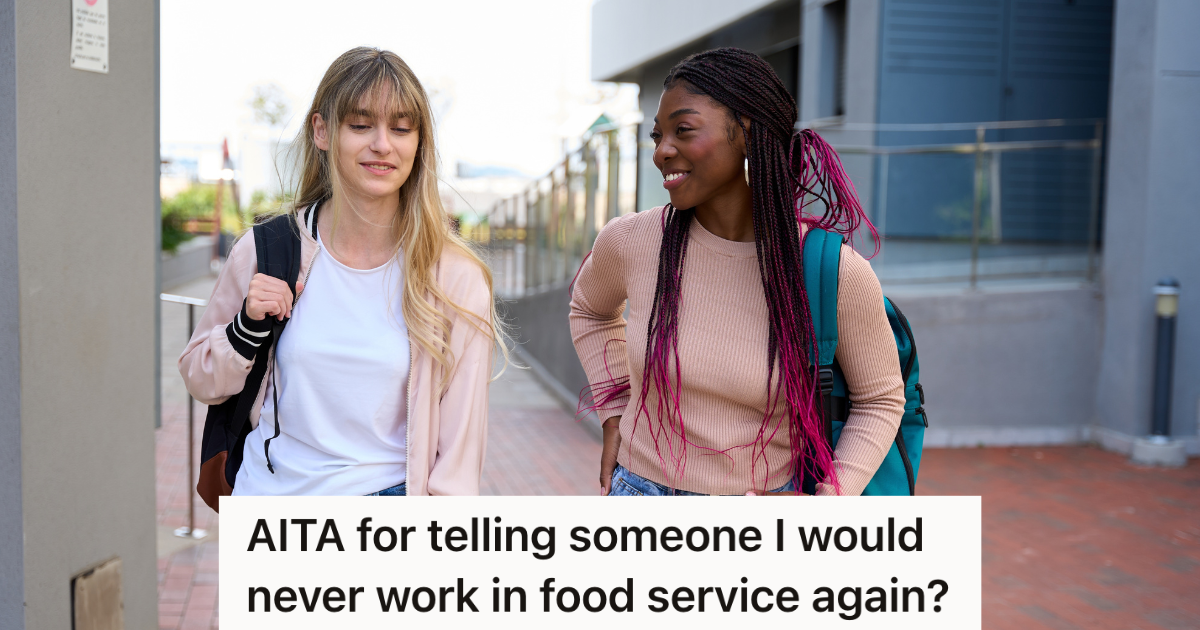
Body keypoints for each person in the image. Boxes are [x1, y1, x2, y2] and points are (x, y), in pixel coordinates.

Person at [570, 48, 905, 497]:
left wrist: (831, 500)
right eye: (657, 136)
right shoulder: (631, 240)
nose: (662, 151)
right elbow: (589, 310)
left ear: (746, 133)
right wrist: (613, 409)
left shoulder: (830, 269)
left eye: (683, 131)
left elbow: (880, 399)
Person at [179, 47, 501, 497]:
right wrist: (246, 328)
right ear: (323, 130)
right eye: (361, 124)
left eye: (402, 128)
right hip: (269, 512)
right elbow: (200, 379)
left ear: (418, 142)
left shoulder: (454, 277)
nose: (383, 144)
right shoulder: (268, 249)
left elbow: (459, 457)